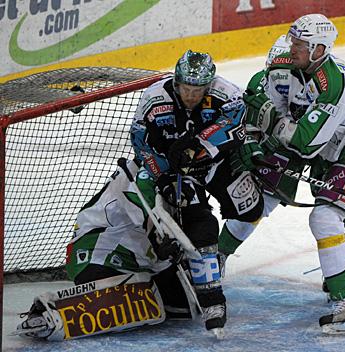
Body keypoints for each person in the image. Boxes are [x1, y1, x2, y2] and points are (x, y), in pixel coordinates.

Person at [242, 14, 345, 334]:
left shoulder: (335, 86)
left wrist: (271, 120)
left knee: (325, 219)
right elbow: (262, 81)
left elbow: (305, 144)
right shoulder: (301, 61)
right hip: (339, 148)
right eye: (293, 41)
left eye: (299, 44)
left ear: (319, 49)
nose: (292, 49)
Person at [130, 50, 264, 333]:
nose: (191, 96)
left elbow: (234, 124)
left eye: (198, 90)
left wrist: (195, 144)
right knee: (203, 225)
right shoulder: (154, 98)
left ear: (208, 85)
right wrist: (162, 176)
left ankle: (219, 257)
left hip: (214, 164)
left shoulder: (226, 92)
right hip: (176, 171)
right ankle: (212, 298)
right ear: (176, 83)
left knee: (251, 207)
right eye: (186, 89)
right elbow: (141, 143)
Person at [16, 159, 192, 340]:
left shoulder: (177, 180)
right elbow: (147, 219)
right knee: (122, 306)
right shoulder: (134, 177)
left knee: (182, 308)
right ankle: (50, 312)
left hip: (136, 263)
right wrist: (161, 249)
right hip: (97, 255)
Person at [218, 35, 312, 257]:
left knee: (259, 204)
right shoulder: (258, 81)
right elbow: (247, 122)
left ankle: (219, 254)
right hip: (249, 150)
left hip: (286, 155)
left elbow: (304, 133)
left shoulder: (308, 87)